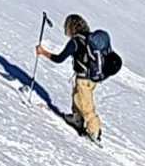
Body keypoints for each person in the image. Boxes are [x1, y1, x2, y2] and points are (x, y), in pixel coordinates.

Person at [37, 13, 105, 141]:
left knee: (86, 106)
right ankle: (76, 119)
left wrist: (43, 52)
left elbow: (59, 58)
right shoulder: (90, 39)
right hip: (92, 78)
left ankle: (94, 130)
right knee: (77, 97)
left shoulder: (75, 42)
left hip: (83, 78)